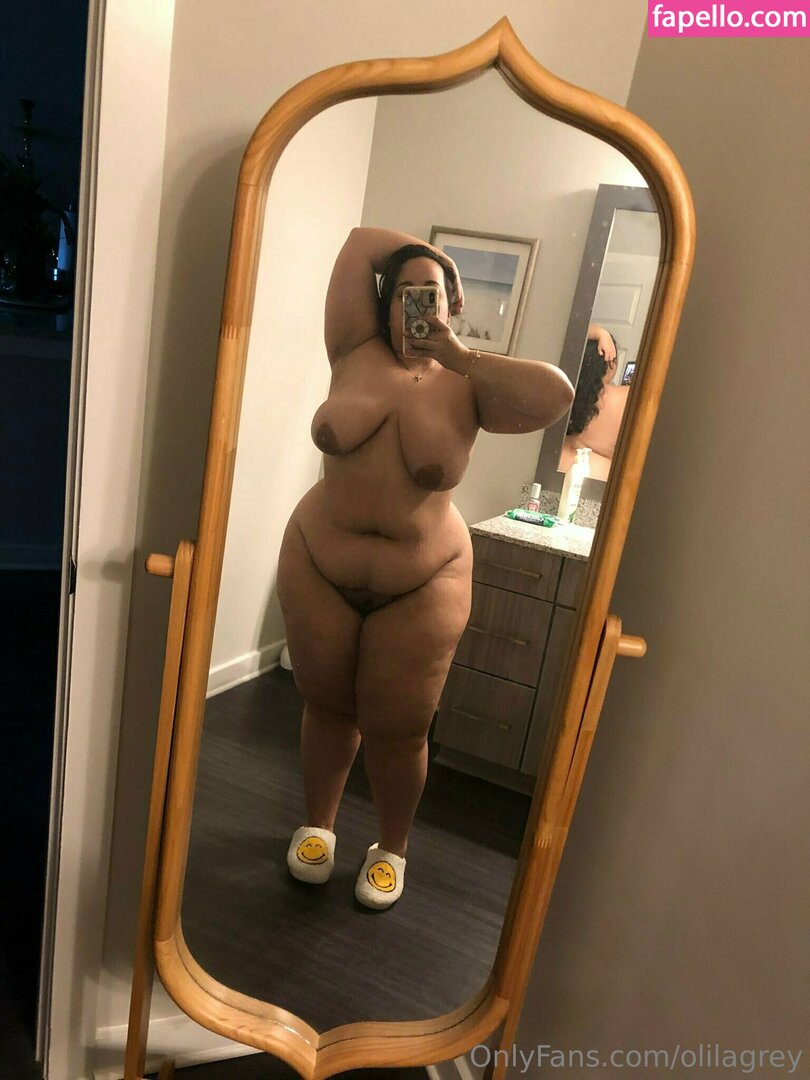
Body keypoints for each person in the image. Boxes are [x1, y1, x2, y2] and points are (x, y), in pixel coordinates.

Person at [276, 227, 574, 909]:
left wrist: (459, 352)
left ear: (453, 303)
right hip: (318, 558)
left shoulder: (472, 384)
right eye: (406, 293)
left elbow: (556, 395)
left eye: (433, 294)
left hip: (423, 579)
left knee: (400, 728)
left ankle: (391, 848)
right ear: (384, 304)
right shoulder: (352, 351)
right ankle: (318, 827)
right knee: (326, 706)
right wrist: (428, 256)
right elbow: (358, 242)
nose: (419, 305)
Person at [559, 328, 627, 482]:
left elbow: (567, 332)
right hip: (599, 483)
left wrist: (599, 333)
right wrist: (602, 334)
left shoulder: (562, 393)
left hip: (558, 473)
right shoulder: (623, 399)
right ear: (611, 363)